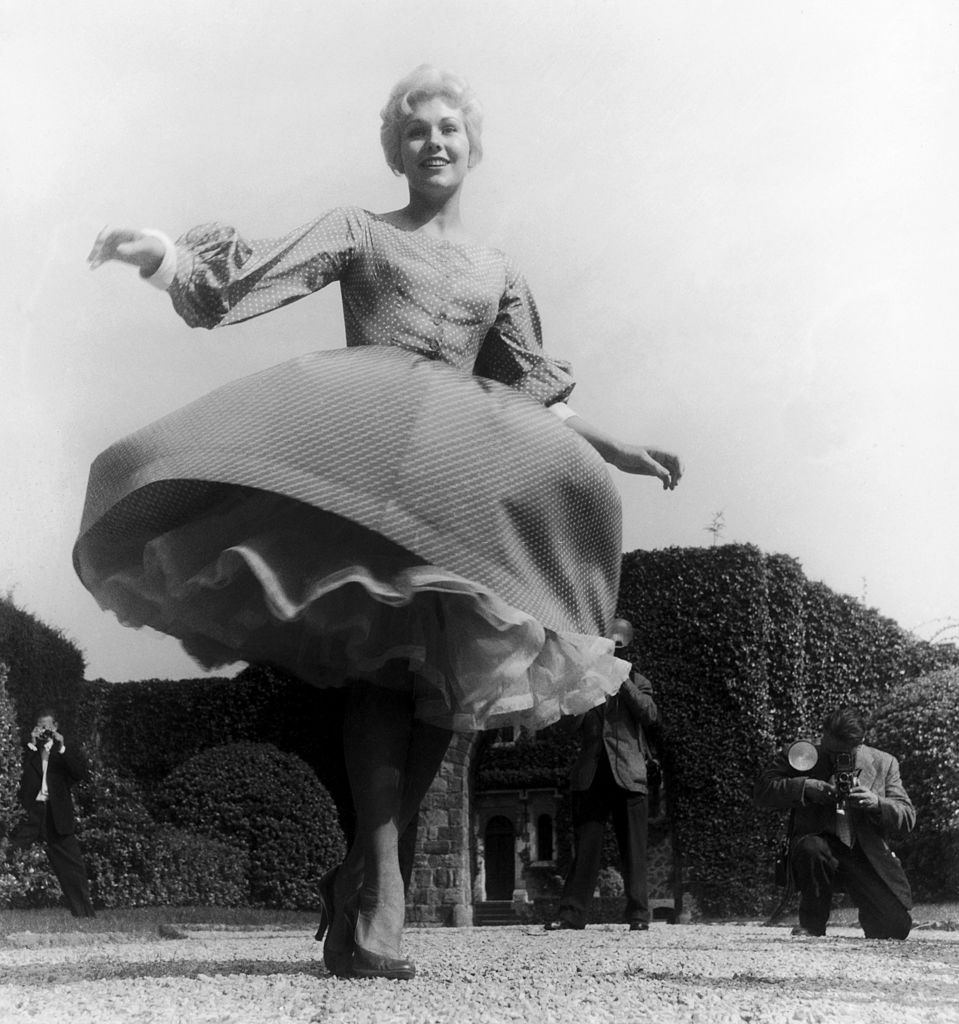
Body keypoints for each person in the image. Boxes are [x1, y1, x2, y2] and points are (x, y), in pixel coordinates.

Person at [78, 65, 683, 979]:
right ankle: (387, 899)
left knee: (452, 677)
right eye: (415, 130)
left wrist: (616, 448)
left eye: (448, 129)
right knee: (382, 671)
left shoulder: (497, 269)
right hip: (372, 466)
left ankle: (364, 873)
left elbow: (530, 391)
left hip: (462, 480)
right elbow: (247, 285)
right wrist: (163, 258)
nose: (433, 141)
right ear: (396, 149)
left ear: (470, 148)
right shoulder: (359, 230)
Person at [754, 706, 914, 939]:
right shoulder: (803, 756)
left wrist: (876, 803)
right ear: (823, 736)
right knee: (812, 849)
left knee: (895, 927)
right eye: (829, 751)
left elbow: (907, 816)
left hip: (864, 854)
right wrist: (805, 787)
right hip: (820, 848)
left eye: (844, 754)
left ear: (860, 743)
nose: (834, 759)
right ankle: (811, 924)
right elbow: (762, 791)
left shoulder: (884, 763)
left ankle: (874, 917)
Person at [544, 618, 659, 931]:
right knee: (585, 849)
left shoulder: (638, 679)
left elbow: (649, 714)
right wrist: (585, 691)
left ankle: (638, 915)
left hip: (629, 773)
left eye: (618, 648)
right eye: (608, 647)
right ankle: (571, 914)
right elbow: (566, 726)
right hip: (592, 774)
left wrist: (622, 680)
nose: (613, 653)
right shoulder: (586, 680)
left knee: (634, 848)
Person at [15, 709, 95, 918]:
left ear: (56, 727)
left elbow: (80, 774)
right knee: (8, 852)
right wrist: (31, 745)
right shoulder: (29, 751)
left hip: (56, 815)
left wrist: (61, 747)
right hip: (31, 814)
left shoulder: (64, 752)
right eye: (41, 727)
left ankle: (84, 914)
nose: (44, 731)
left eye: (48, 727)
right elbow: (19, 775)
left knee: (71, 864)